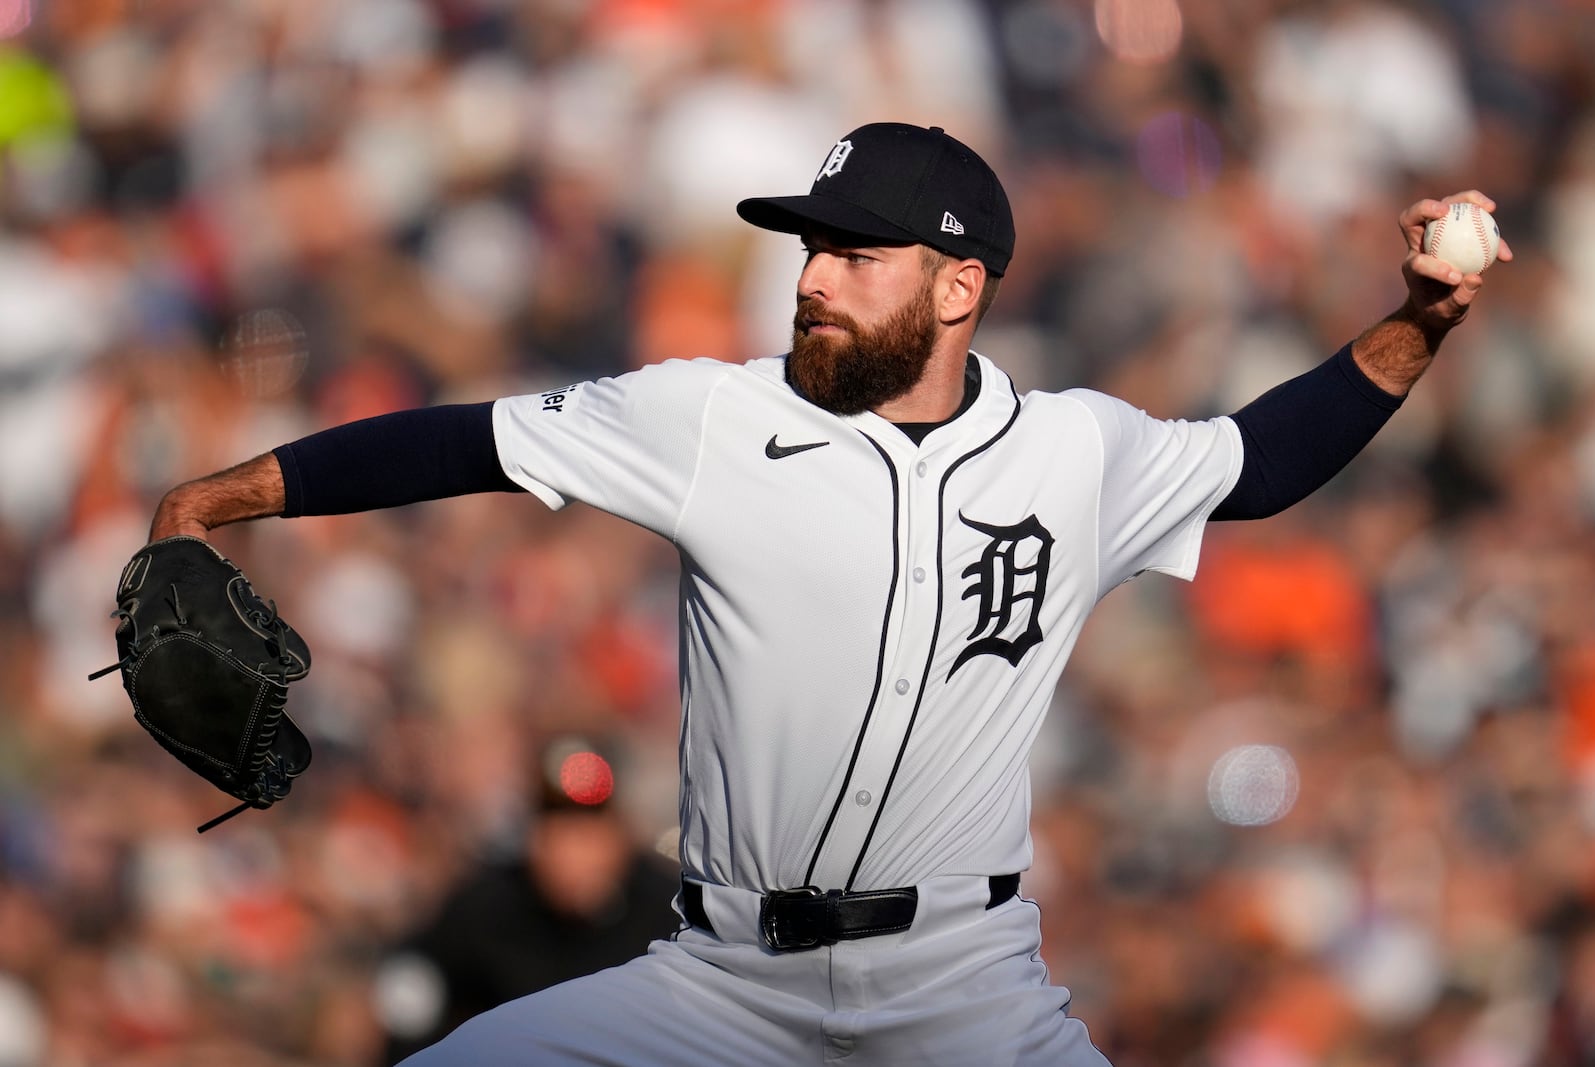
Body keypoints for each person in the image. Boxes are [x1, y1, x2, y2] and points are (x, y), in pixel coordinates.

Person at [144, 123, 1509, 1065]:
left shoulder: (1077, 449)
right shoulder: (704, 417)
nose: (812, 277)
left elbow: (1263, 461)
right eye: (813, 247)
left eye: (858, 254)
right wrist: (219, 498)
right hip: (718, 980)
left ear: (958, 283)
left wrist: (1425, 321)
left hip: (967, 984)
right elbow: (461, 441)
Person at [374, 735, 680, 1063]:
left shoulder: (666, 912)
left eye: (587, 830)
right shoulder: (488, 908)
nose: (571, 852)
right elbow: (411, 983)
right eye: (556, 828)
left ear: (619, 832)